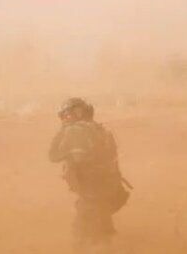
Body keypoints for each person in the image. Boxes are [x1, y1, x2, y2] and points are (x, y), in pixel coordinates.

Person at [48, 98, 130, 251]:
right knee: (104, 234)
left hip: (91, 193)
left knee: (83, 237)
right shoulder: (98, 128)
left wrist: (62, 132)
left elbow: (53, 156)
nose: (65, 118)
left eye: (67, 114)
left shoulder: (75, 131)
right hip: (109, 189)